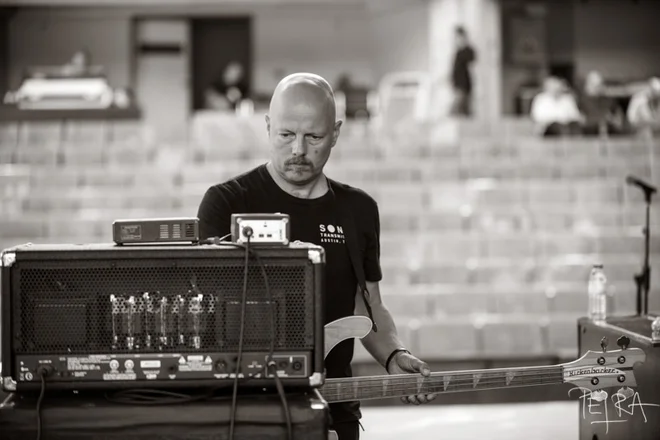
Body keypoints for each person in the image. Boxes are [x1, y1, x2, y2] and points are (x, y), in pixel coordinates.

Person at [197, 73, 435, 439]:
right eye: (286, 135)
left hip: (333, 410)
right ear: (267, 126)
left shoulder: (358, 209)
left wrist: (393, 355)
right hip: (242, 412)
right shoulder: (227, 203)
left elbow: (367, 305)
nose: (298, 150)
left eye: (314, 137)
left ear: (336, 133)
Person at [450, 26, 476, 117]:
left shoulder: (468, 51)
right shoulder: (458, 51)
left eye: (458, 37)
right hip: (457, 84)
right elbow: (455, 69)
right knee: (462, 110)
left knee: (458, 110)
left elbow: (472, 64)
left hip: (464, 85)